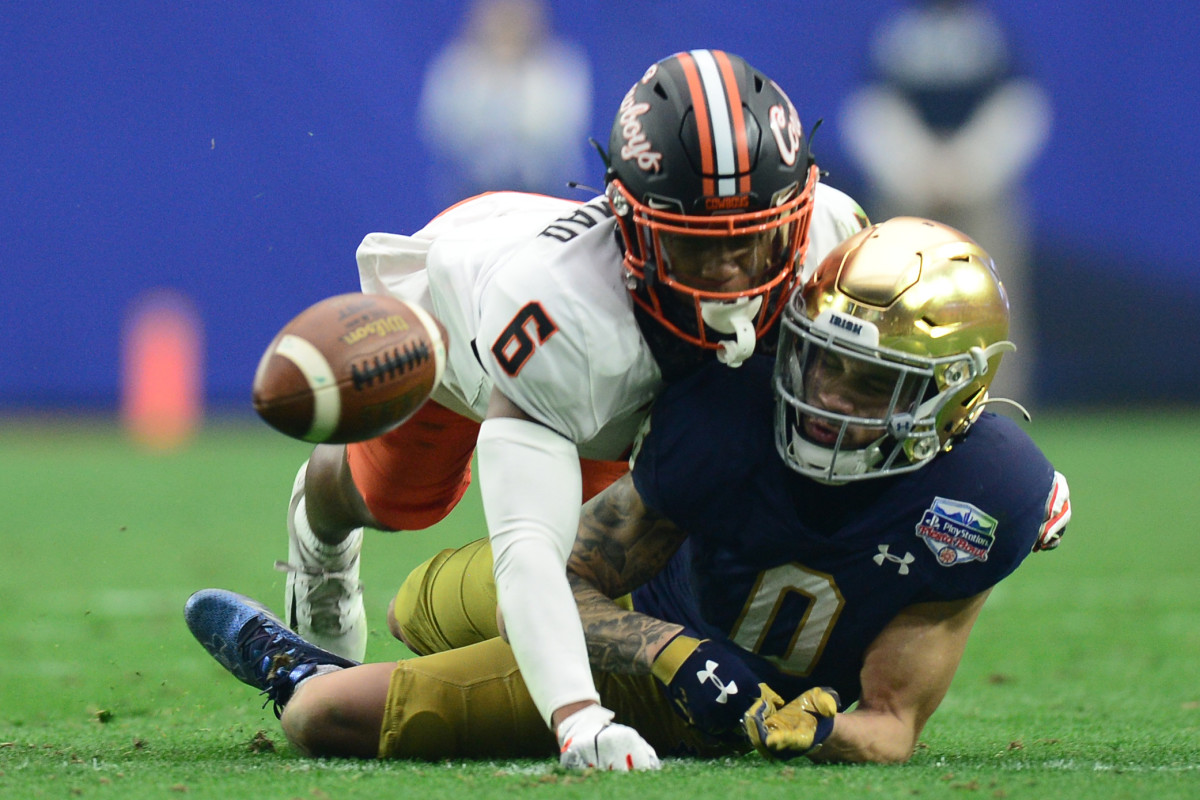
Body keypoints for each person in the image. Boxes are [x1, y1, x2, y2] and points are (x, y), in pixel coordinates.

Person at [187, 217, 1070, 764]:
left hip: (678, 701)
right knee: (423, 606)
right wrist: (669, 652)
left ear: (952, 397)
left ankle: (298, 671)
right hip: (646, 614)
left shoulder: (984, 497)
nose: (829, 397)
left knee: (322, 717)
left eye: (871, 384)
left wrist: (795, 729)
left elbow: (893, 725)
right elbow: (570, 578)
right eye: (823, 361)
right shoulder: (734, 409)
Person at [274, 48, 868, 770]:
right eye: (695, 248)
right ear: (629, 222)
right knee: (403, 499)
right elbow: (530, 550)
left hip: (621, 392)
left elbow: (914, 364)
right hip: (462, 318)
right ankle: (320, 524)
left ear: (800, 209)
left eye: (751, 240)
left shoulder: (835, 240)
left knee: (642, 558)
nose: (730, 276)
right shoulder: (554, 313)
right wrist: (578, 719)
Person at [838, 0, 1052, 404]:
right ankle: (886, 399)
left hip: (983, 197)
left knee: (998, 300)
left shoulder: (990, 36)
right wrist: (917, 168)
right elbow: (870, 110)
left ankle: (1000, 407)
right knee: (889, 300)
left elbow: (1020, 107)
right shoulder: (898, 38)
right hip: (906, 195)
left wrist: (970, 167)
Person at [416, 0, 593, 206]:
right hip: (470, 194)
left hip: (542, 193)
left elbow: (563, 130)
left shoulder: (562, 67)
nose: (508, 20)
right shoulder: (455, 67)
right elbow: (439, 128)